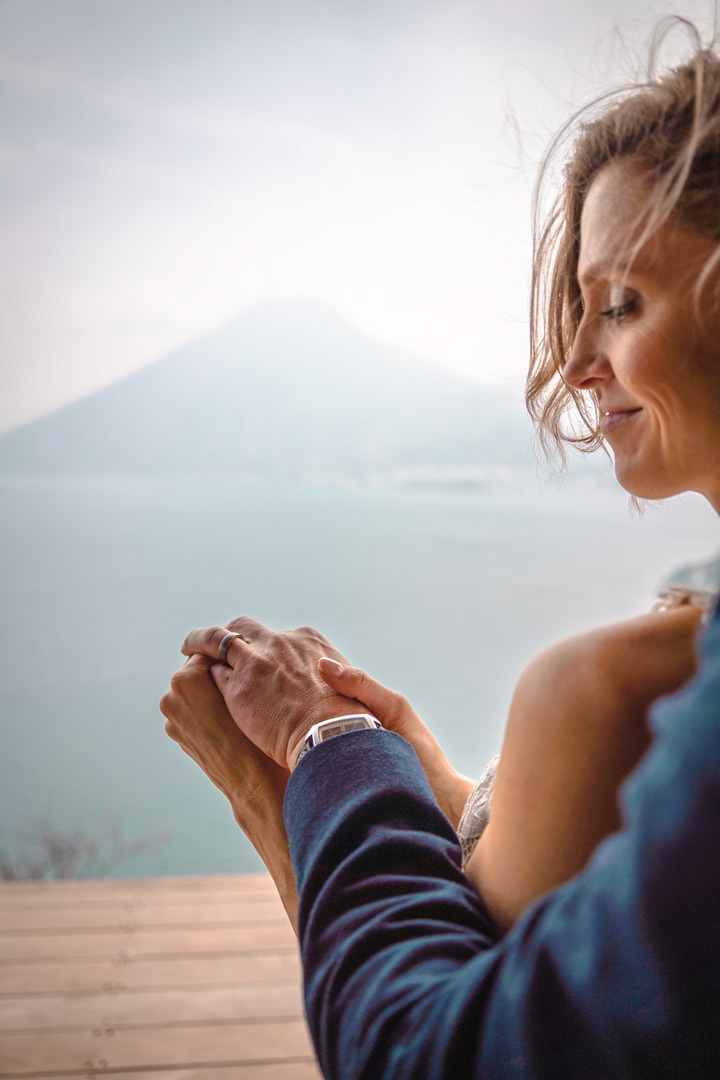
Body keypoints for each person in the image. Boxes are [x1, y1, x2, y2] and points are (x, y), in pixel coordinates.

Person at [161, 31, 720, 1077]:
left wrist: (311, 759)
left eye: (624, 304)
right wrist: (443, 785)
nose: (577, 363)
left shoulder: (605, 686)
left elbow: (424, 1052)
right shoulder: (665, 665)